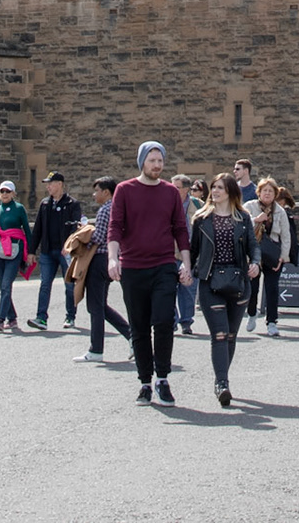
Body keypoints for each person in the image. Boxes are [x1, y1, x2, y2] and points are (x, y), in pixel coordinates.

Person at [108, 141, 192, 405]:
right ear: (142, 161)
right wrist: (113, 258)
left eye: (160, 160)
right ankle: (145, 382)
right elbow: (115, 226)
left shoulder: (170, 192)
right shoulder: (124, 190)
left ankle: (162, 379)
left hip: (164, 266)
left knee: (164, 322)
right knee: (139, 326)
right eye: (152, 160)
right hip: (133, 267)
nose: (157, 165)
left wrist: (186, 263)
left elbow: (180, 229)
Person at [189, 172, 260, 408]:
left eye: (220, 187)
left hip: (239, 281)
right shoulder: (201, 219)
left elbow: (253, 246)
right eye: (213, 187)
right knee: (219, 335)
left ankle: (222, 377)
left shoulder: (243, 217)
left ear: (230, 191)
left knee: (231, 335)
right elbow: (193, 250)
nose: (215, 191)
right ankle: (222, 383)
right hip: (211, 282)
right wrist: (186, 269)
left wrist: (256, 264)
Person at [74, 176, 131, 363]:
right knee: (100, 305)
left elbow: (99, 237)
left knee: (95, 307)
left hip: (100, 259)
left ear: (106, 192)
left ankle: (96, 349)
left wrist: (84, 232)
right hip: (115, 259)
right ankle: (131, 337)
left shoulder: (105, 209)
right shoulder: (122, 207)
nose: (94, 194)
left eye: (97, 190)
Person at [27, 172, 81, 331]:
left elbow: (76, 227)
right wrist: (32, 251)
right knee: (44, 284)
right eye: (47, 184)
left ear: (60, 184)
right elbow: (37, 230)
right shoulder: (45, 204)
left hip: (65, 252)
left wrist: (69, 246)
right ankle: (41, 318)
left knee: (69, 285)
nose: (48, 186)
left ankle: (70, 316)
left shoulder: (72, 204)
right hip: (47, 251)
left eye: (51, 183)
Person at [0, 180, 33, 331]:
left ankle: (0, 320)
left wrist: (31, 252)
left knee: (6, 284)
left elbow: (27, 231)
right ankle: (13, 319)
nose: (4, 194)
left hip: (15, 250)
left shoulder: (19, 209)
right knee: (3, 286)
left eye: (7, 192)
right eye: (2, 191)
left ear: (13, 193)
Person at [244, 176, 292, 337]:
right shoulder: (249, 207)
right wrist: (255, 220)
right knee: (253, 288)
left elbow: (286, 236)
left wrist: (282, 257)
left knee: (272, 288)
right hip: (254, 254)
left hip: (273, 253)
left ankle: (272, 322)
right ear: (259, 192)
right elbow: (239, 225)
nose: (267, 194)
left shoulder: (280, 211)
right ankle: (252, 314)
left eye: (271, 191)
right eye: (265, 190)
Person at [172, 174, 199, 336]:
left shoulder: (198, 205)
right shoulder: (166, 204)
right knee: (168, 289)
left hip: (191, 254)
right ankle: (172, 320)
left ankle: (186, 322)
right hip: (170, 253)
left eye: (176, 187)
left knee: (188, 289)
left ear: (186, 189)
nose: (172, 190)